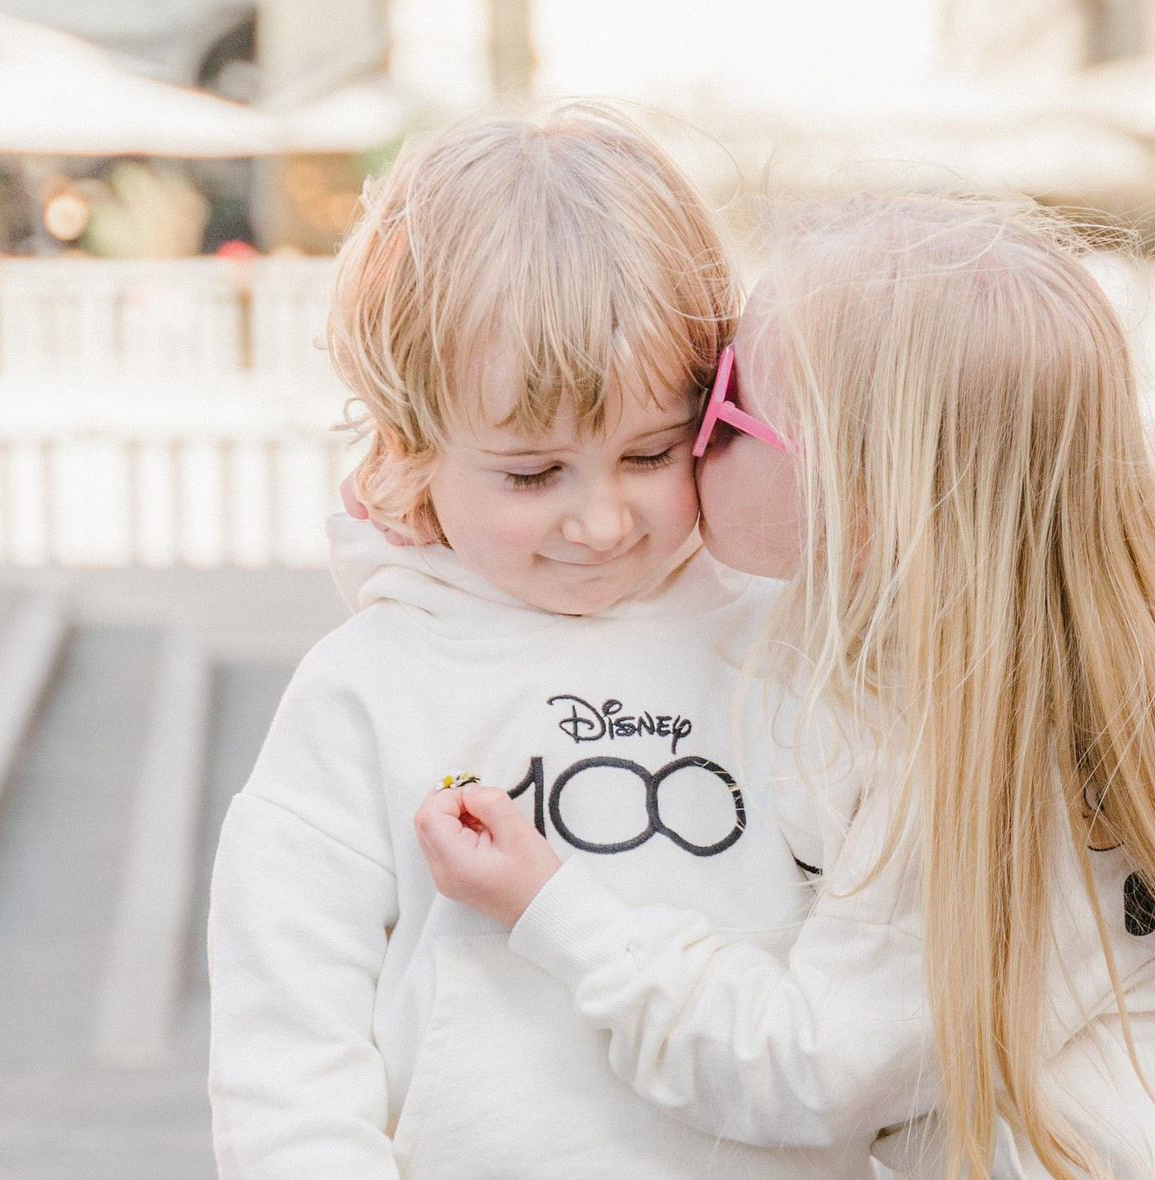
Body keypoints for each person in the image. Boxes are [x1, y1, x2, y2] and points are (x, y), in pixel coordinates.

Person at [415, 195, 1155, 1179]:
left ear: (862, 506)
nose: (684, 433)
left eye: (718, 409)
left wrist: (559, 912)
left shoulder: (943, 750)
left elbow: (809, 1072)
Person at [203, 105, 884, 1180]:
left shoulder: (798, 645)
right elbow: (288, 1052)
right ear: (412, 446)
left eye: (651, 454)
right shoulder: (367, 690)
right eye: (532, 474)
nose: (602, 522)